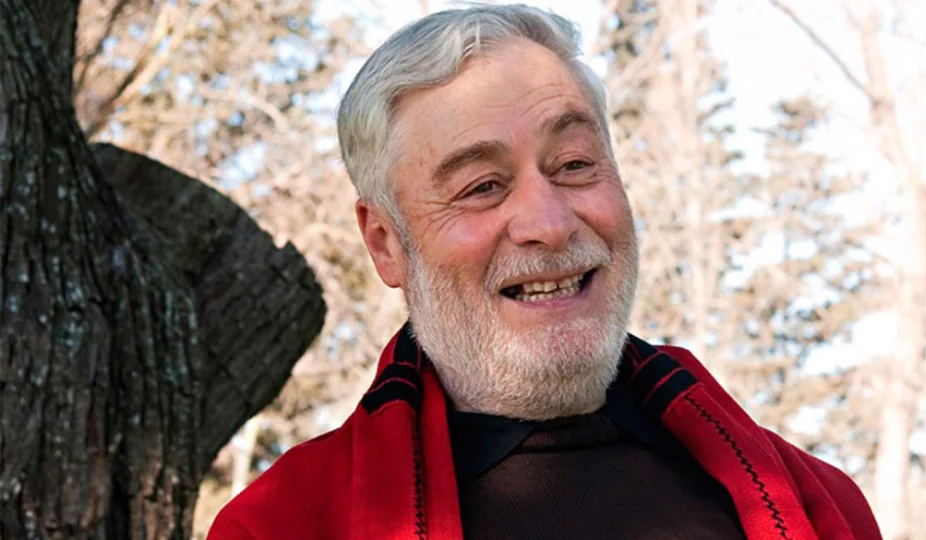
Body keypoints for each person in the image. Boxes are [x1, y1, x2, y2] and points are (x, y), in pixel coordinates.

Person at [209, 4, 882, 539]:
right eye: (482, 186)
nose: (550, 222)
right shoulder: (281, 526)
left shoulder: (821, 507)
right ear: (386, 244)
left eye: (575, 164)